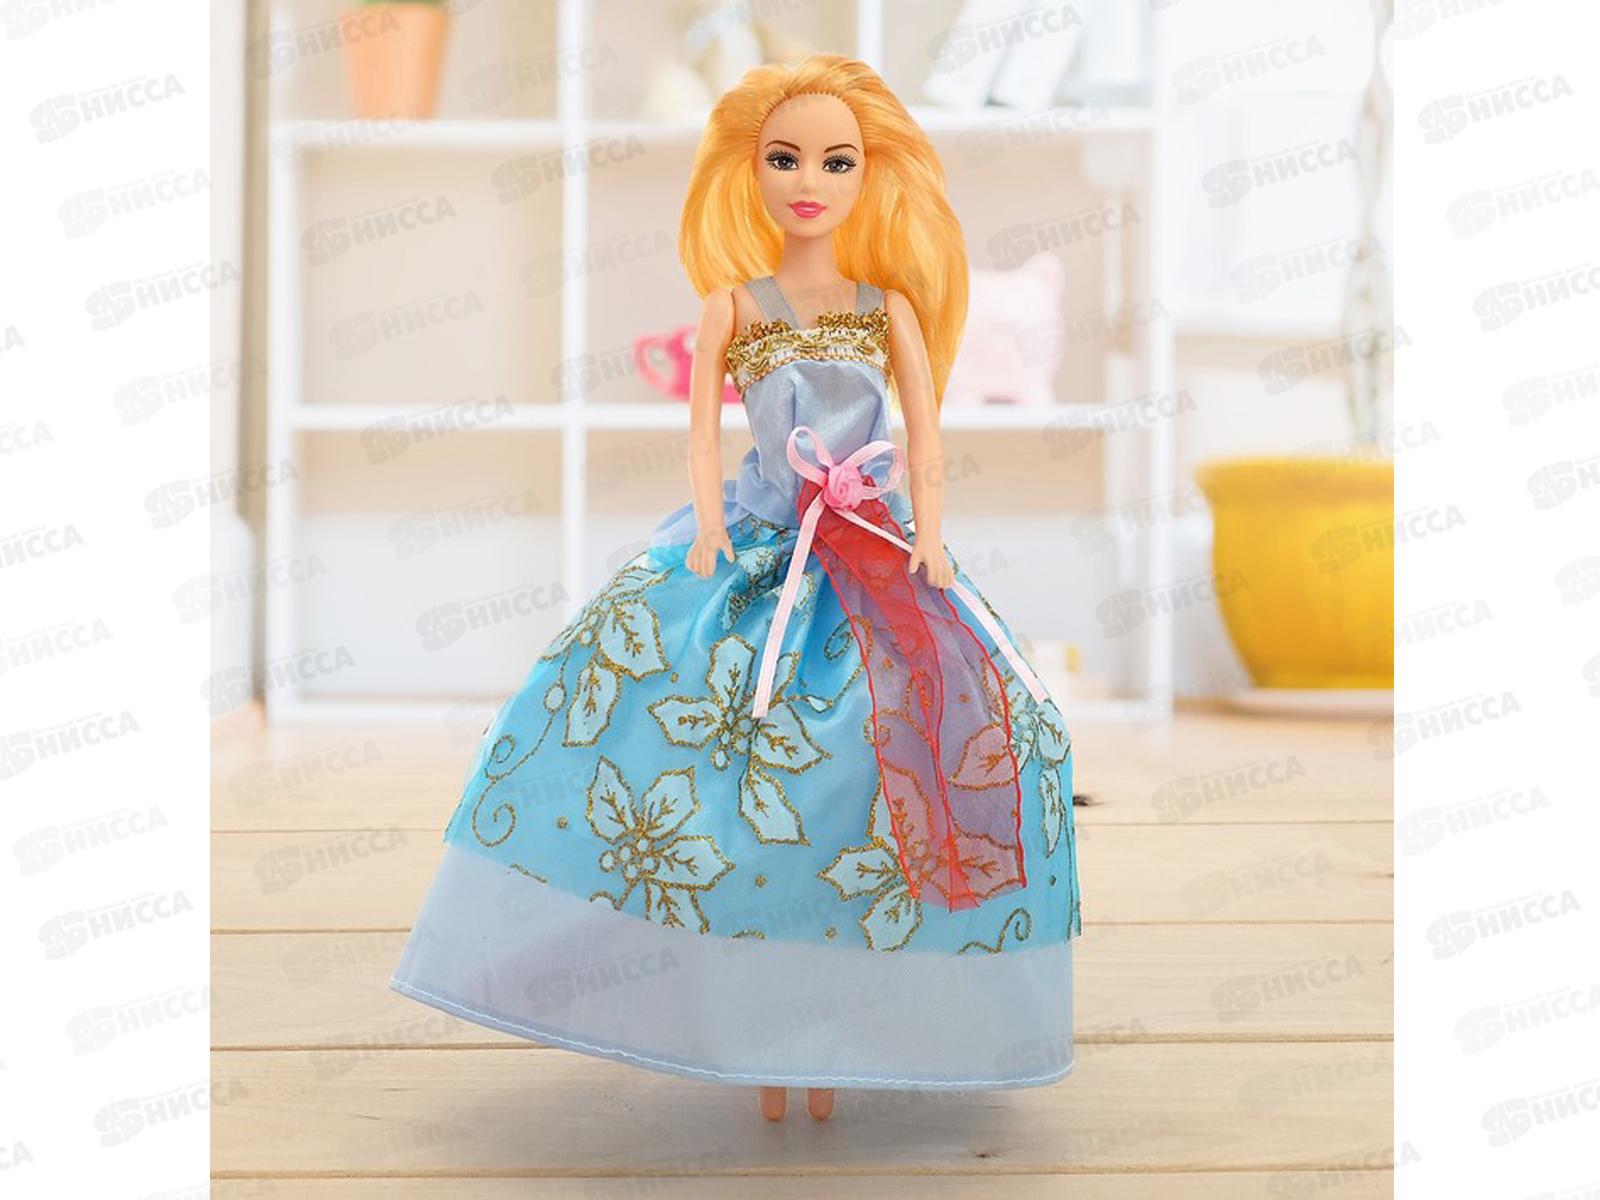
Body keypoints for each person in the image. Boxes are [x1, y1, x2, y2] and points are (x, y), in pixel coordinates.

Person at [391, 53, 1080, 1123]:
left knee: (938, 734)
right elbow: (704, 440)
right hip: (762, 543)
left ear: (871, 174)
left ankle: (851, 1025)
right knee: (686, 731)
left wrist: (932, 541)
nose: (809, 181)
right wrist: (710, 526)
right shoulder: (733, 307)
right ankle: (730, 1014)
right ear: (748, 171)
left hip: (875, 547)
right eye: (784, 158)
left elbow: (926, 440)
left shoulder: (889, 307)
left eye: (837, 161)